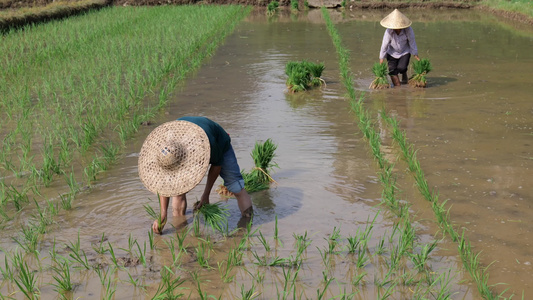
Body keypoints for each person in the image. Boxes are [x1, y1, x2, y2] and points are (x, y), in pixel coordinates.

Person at [138, 116, 253, 234]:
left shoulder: (208, 143)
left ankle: (247, 227)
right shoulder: (167, 145)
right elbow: (166, 185)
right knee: (177, 191)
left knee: (236, 187)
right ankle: (180, 235)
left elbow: (216, 166)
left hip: (219, 144)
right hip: (182, 147)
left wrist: (205, 195)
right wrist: (163, 214)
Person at [379, 9, 420, 87]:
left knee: (402, 68)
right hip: (391, 52)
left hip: (405, 51)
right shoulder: (389, 31)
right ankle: (398, 87)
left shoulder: (408, 30)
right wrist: (381, 59)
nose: (397, 29)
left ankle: (404, 73)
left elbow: (412, 42)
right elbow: (384, 45)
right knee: (392, 70)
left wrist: (416, 55)